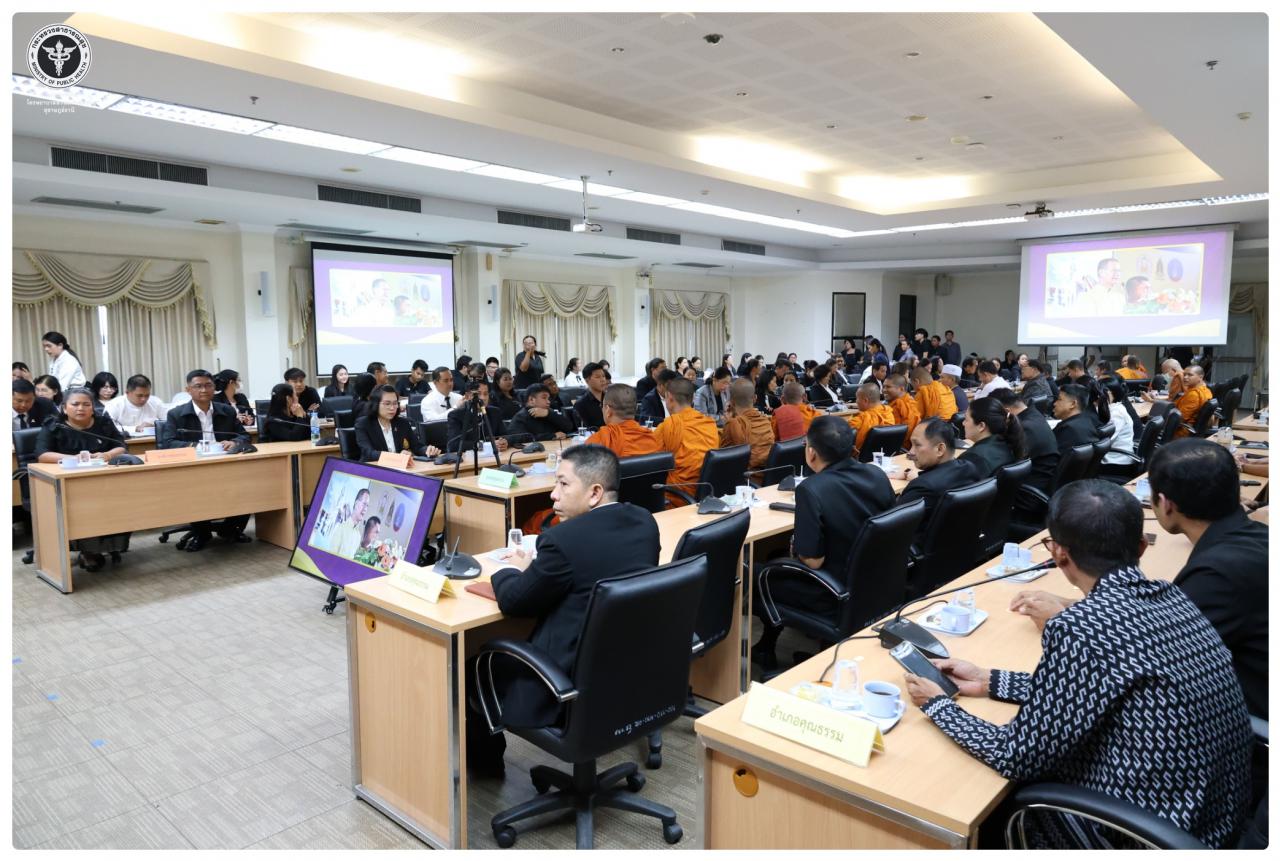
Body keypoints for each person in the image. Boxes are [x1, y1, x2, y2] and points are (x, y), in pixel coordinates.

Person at [905, 480, 1252, 849]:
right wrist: (989, 680)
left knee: (983, 808)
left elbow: (1016, 756)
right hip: (1214, 820)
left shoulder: (1080, 627)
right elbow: (1098, 686)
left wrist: (939, 706)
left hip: (1138, 834)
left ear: (1059, 554)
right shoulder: (1173, 597)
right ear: (1140, 547)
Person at [469, 445, 661, 775]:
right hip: (627, 675)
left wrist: (511, 569)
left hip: (564, 684)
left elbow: (515, 602)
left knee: (473, 664)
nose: (553, 495)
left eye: (563, 484)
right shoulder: (645, 522)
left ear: (595, 493)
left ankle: (487, 772)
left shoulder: (562, 541)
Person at [755, 417, 895, 650]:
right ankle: (766, 647)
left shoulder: (811, 489)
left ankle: (763, 650)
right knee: (776, 558)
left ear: (811, 453)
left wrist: (797, 546)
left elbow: (813, 561)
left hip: (832, 592)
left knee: (756, 574)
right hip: (876, 583)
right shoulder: (876, 474)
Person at [35, 387, 130, 571]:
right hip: (69, 482)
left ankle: (113, 546)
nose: (81, 408)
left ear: (93, 407)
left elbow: (121, 446)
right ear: (64, 408)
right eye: (75, 404)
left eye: (86, 404)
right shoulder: (54, 425)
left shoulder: (103, 422)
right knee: (86, 506)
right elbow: (42, 454)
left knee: (120, 500)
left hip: (105, 479)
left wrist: (107, 455)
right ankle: (89, 551)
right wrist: (74, 458)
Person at [157, 370, 252, 551]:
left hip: (226, 465)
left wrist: (234, 442)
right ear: (188, 390)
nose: (204, 390)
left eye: (208, 385)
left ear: (214, 388)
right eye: (198, 386)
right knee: (195, 492)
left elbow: (244, 436)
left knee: (248, 485)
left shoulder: (226, 411)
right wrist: (196, 446)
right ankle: (202, 533)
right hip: (194, 468)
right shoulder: (176, 414)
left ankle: (230, 529)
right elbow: (168, 443)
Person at [897, 418, 981, 538]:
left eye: (917, 445)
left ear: (940, 449)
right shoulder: (969, 468)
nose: (911, 452)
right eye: (911, 445)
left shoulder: (922, 487)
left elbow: (891, 527)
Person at [650, 376, 719, 504]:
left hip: (677, 497)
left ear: (670, 397)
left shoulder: (669, 425)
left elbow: (651, 457)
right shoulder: (709, 423)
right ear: (692, 399)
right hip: (708, 494)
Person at [988, 389, 1057, 495]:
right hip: (1037, 482)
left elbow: (1001, 461)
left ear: (1006, 412)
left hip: (1029, 491)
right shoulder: (1034, 414)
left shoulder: (1024, 428)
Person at [354, 385, 432, 462]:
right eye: (387, 404)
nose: (392, 408)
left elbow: (417, 447)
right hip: (372, 468)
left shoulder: (403, 423)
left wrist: (427, 450)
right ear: (376, 404)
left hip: (399, 467)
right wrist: (397, 457)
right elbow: (369, 453)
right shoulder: (363, 424)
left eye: (395, 403)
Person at [583, 383, 661, 458]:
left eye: (602, 406)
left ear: (608, 410)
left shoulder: (598, 442)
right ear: (636, 409)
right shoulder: (651, 438)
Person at [720, 378, 775, 470]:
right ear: (755, 398)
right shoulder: (766, 421)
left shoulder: (733, 424)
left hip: (746, 476)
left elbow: (722, 458)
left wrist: (729, 423)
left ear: (732, 402)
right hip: (769, 474)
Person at [963, 396, 1024, 478]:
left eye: (966, 419)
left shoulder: (972, 458)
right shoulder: (1009, 443)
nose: (963, 423)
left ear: (981, 426)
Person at [446, 379, 509, 454]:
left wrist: (504, 442)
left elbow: (506, 436)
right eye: (478, 394)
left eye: (486, 394)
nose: (483, 398)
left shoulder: (495, 412)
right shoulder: (455, 415)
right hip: (468, 458)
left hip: (494, 456)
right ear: (467, 396)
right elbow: (454, 445)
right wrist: (483, 446)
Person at [507, 384, 573, 442]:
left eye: (548, 398)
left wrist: (549, 414)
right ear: (531, 400)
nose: (548, 402)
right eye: (544, 398)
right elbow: (519, 439)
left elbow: (569, 427)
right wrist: (552, 436)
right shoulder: (520, 417)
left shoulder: (549, 412)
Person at [1052, 384, 1101, 456]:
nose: (1054, 403)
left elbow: (1051, 456)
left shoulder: (1068, 429)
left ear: (1073, 404)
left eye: (1059, 399)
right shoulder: (1087, 421)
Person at [845, 383, 896, 454]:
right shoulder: (889, 414)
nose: (856, 401)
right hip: (885, 455)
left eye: (857, 398)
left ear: (865, 401)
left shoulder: (859, 421)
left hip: (860, 458)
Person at [1173, 364, 1213, 438]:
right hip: (1193, 431)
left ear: (1200, 377)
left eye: (1190, 375)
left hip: (1181, 433)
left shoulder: (1194, 395)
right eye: (1184, 374)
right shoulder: (1206, 390)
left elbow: (1180, 419)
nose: (1185, 377)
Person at [1099, 382, 1134, 463]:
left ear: (1110, 394)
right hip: (1116, 456)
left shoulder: (1116, 414)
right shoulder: (1116, 407)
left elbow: (1104, 442)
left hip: (1116, 461)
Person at [571, 362, 607, 430]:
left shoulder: (611, 399)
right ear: (587, 380)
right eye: (597, 377)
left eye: (603, 376)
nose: (603, 380)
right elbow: (585, 431)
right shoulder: (580, 405)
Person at [884, 373, 921, 439]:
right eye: (883, 386)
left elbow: (905, 431)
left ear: (901, 389)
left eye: (888, 387)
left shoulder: (903, 404)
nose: (884, 390)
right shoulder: (906, 400)